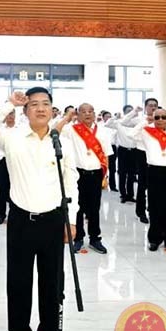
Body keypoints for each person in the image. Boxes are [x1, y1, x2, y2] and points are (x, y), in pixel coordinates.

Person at [0, 88, 78, 331]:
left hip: (53, 221)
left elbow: (71, 181)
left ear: (52, 109)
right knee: (19, 281)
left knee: (52, 282)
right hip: (22, 221)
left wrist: (72, 219)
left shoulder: (62, 142)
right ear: (25, 111)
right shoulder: (12, 138)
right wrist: (9, 104)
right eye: (34, 104)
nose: (40, 108)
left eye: (45, 104)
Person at [130, 108, 166, 253]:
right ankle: (154, 239)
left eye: (164, 117)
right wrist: (145, 121)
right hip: (155, 172)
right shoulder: (147, 132)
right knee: (155, 207)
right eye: (157, 117)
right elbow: (131, 134)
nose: (160, 120)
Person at [61, 103, 113, 254]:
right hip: (78, 174)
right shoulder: (71, 130)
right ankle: (78, 238)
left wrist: (106, 176)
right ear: (78, 115)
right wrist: (67, 117)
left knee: (94, 208)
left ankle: (95, 238)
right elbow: (54, 130)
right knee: (78, 207)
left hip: (96, 174)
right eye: (83, 111)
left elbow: (106, 155)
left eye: (90, 111)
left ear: (95, 114)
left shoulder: (102, 131)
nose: (87, 114)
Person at [116, 98, 160, 224]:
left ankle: (152, 209)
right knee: (142, 184)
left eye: (155, 105)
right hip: (142, 153)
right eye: (150, 105)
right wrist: (135, 111)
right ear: (145, 107)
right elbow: (124, 122)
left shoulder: (160, 120)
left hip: (156, 154)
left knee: (154, 185)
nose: (153, 108)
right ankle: (141, 212)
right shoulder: (140, 120)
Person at [107, 105, 137, 203]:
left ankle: (130, 195)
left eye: (132, 111)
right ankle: (123, 194)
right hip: (122, 150)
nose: (131, 113)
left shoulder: (136, 122)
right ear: (124, 112)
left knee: (131, 174)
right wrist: (115, 117)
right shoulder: (119, 123)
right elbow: (107, 124)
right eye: (128, 111)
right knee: (122, 173)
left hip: (134, 150)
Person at [0, 108, 17, 224]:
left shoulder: (20, 129)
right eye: (8, 114)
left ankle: (14, 215)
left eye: (12, 113)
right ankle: (1, 215)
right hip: (1, 161)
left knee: (15, 189)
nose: (10, 116)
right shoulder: (0, 129)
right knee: (2, 190)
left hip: (16, 162)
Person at [101, 111, 119, 192]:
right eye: (107, 116)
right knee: (102, 167)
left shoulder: (114, 127)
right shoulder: (101, 126)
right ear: (103, 117)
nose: (108, 118)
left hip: (112, 147)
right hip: (102, 148)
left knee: (112, 168)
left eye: (110, 116)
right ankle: (102, 184)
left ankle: (113, 186)